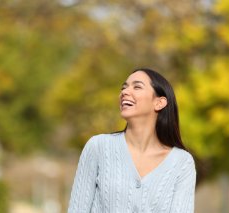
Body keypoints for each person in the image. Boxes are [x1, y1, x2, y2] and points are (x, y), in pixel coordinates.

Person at [68, 68, 196, 213]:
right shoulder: (98, 147)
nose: (125, 92)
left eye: (137, 87)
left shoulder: (182, 162)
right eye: (124, 87)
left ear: (159, 103)